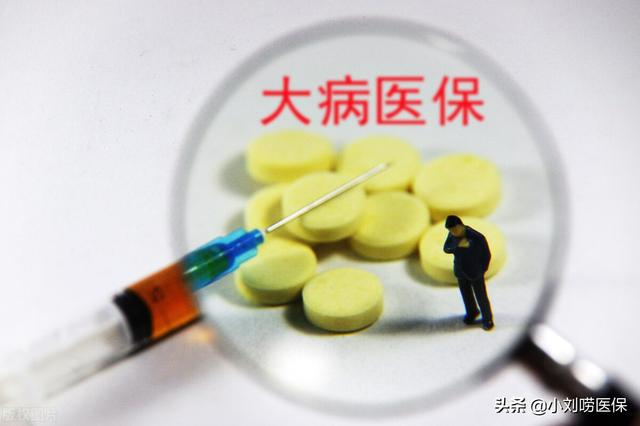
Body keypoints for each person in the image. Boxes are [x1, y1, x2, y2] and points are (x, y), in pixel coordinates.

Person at [443, 215, 494, 330]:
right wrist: (457, 245)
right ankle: (472, 312)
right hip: (460, 271)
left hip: (475, 272)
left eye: (455, 229)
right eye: (451, 230)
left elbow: (486, 255)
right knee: (466, 295)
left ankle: (487, 318)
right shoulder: (452, 235)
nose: (453, 232)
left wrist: (482, 269)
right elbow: (446, 248)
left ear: (461, 225)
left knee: (481, 296)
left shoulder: (477, 237)